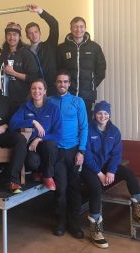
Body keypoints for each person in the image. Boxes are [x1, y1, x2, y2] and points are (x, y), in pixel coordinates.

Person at [82, 100, 140, 249]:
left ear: (109, 115)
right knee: (96, 190)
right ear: (95, 114)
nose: (102, 116)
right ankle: (95, 227)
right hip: (90, 168)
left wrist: (111, 171)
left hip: (107, 167)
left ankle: (138, 206)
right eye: (100, 113)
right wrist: (99, 173)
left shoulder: (115, 131)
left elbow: (116, 155)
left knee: (128, 173)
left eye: (105, 113)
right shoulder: (87, 129)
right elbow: (86, 155)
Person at [48, 70, 88, 239]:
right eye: (59, 81)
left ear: (69, 84)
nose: (62, 84)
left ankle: (74, 224)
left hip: (73, 151)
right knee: (61, 189)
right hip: (56, 152)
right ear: (55, 83)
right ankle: (60, 223)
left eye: (65, 81)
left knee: (74, 189)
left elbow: (84, 127)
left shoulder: (78, 102)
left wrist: (81, 151)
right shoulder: (49, 101)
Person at [9, 79, 61, 190]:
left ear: (45, 91)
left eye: (40, 88)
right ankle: (37, 171)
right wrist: (32, 121)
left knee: (51, 146)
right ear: (30, 90)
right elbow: (12, 124)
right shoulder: (24, 107)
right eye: (33, 88)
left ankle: (47, 176)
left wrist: (40, 139)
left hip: (46, 145)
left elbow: (58, 134)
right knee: (32, 161)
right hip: (29, 147)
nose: (36, 91)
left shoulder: (53, 109)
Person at [57, 16, 106, 120]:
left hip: (87, 95)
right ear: (71, 29)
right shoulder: (62, 48)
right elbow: (58, 70)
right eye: (75, 27)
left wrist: (92, 84)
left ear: (85, 28)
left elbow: (101, 70)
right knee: (68, 121)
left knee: (85, 123)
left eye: (81, 26)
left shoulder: (95, 47)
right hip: (68, 94)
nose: (78, 30)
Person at [0, 22, 40, 113]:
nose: (12, 37)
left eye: (15, 34)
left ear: (19, 37)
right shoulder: (3, 54)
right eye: (9, 34)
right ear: (5, 36)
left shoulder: (26, 54)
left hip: (23, 100)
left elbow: (33, 78)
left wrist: (14, 73)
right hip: (5, 100)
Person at [25, 4, 59, 96]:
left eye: (36, 32)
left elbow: (54, 24)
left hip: (52, 89)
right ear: (27, 36)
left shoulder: (50, 45)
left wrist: (39, 11)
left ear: (40, 33)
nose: (34, 35)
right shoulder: (25, 52)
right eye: (30, 33)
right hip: (35, 91)